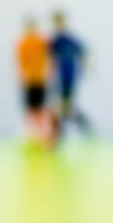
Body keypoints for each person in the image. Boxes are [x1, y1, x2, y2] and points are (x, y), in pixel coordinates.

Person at [48, 11, 91, 140]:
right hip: (58, 77)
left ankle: (77, 128)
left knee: (66, 106)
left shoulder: (70, 39)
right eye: (56, 22)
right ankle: (59, 132)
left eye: (60, 21)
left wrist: (84, 68)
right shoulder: (55, 41)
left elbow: (83, 52)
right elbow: (50, 58)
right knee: (61, 106)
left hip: (69, 77)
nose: (59, 25)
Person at [15, 17, 53, 147]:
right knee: (30, 109)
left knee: (41, 108)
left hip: (40, 80)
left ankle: (45, 136)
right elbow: (21, 61)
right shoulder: (23, 42)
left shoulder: (42, 41)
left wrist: (47, 73)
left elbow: (49, 58)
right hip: (29, 81)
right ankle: (32, 136)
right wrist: (23, 77)